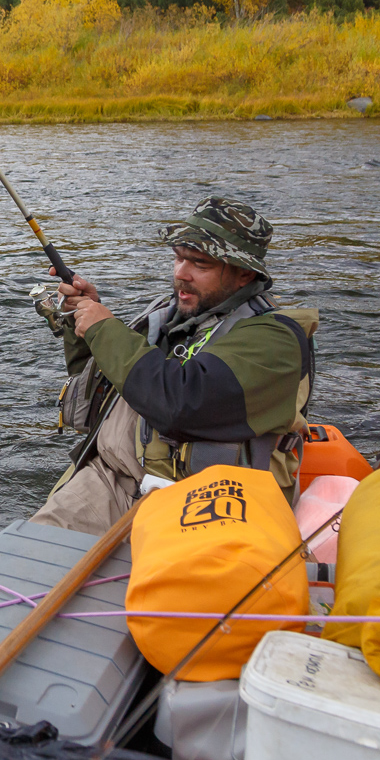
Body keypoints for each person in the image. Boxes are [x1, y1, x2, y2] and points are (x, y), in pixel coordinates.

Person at [31, 197, 317, 536]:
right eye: (179, 257)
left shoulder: (276, 340)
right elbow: (101, 387)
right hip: (111, 481)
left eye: (200, 263)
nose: (181, 273)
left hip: (209, 506)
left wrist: (104, 328)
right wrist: (86, 319)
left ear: (243, 274)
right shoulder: (176, 313)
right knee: (28, 559)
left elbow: (181, 404)